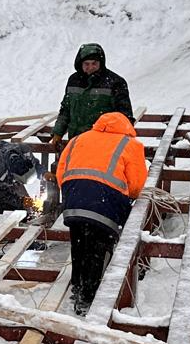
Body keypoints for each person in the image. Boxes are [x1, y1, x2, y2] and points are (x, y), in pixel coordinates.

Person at [55, 111, 148, 317]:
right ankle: (89, 297)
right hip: (106, 203)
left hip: (74, 199)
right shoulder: (131, 145)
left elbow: (61, 173)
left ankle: (78, 288)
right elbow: (136, 186)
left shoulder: (78, 138)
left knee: (79, 245)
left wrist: (78, 193)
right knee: (99, 249)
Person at [50, 43, 134, 142]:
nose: (90, 67)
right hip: (75, 140)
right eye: (86, 64)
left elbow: (124, 117)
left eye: (94, 63)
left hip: (103, 143)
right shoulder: (74, 80)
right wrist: (58, 132)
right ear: (80, 63)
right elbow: (65, 110)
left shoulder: (115, 82)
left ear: (100, 63)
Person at [0, 140, 41, 225]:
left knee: (25, 203)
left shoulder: (24, 150)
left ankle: (28, 221)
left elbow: (35, 164)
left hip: (9, 177)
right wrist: (22, 201)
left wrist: (43, 173)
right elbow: (3, 195)